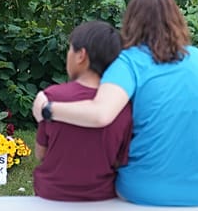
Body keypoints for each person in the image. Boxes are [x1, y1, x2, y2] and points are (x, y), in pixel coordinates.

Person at [32, 0, 198, 206]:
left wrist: (48, 109)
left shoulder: (128, 62)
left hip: (144, 189)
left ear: (131, 21)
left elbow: (100, 114)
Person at [33, 20, 133, 201]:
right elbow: (120, 160)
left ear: (81, 55)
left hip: (51, 194)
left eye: (70, 49)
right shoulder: (123, 107)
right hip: (101, 196)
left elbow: (41, 152)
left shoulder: (52, 97)